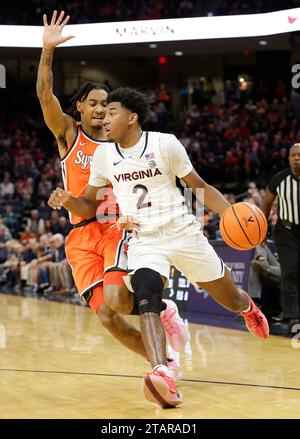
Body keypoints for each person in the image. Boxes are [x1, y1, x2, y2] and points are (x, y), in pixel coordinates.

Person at [48, 87, 269, 408]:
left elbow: (200, 187)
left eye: (112, 113)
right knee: (147, 294)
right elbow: (87, 206)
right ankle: (163, 371)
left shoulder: (165, 144)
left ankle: (247, 307)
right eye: (102, 112)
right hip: (144, 238)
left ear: (132, 117)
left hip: (181, 231)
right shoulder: (104, 156)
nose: (104, 119)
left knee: (231, 299)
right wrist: (68, 199)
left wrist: (230, 212)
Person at [37, 11, 186, 372]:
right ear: (79, 109)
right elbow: (44, 94)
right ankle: (165, 362)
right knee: (107, 317)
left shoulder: (122, 140)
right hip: (79, 234)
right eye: (94, 103)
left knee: (119, 299)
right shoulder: (70, 135)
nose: (101, 109)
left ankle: (160, 324)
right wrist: (47, 51)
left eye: (106, 104)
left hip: (113, 226)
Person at [262, 143, 300, 333]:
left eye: (299, 155)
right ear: (288, 159)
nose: (296, 158)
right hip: (286, 231)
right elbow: (267, 203)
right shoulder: (279, 179)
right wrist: (261, 229)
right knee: (290, 270)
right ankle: (292, 317)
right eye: (293, 155)